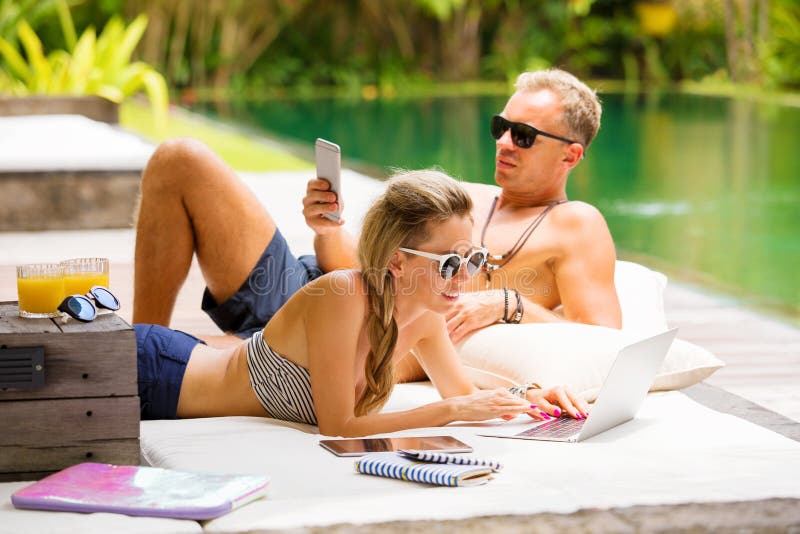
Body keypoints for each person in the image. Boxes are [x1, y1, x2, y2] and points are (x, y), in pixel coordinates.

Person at [135, 170, 589, 435]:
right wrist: (450, 412)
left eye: (471, 259)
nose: (464, 277)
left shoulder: (425, 316)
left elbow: (464, 393)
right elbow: (338, 426)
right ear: (396, 260)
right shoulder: (343, 296)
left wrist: (528, 396)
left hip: (169, 373)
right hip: (155, 373)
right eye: (450, 262)